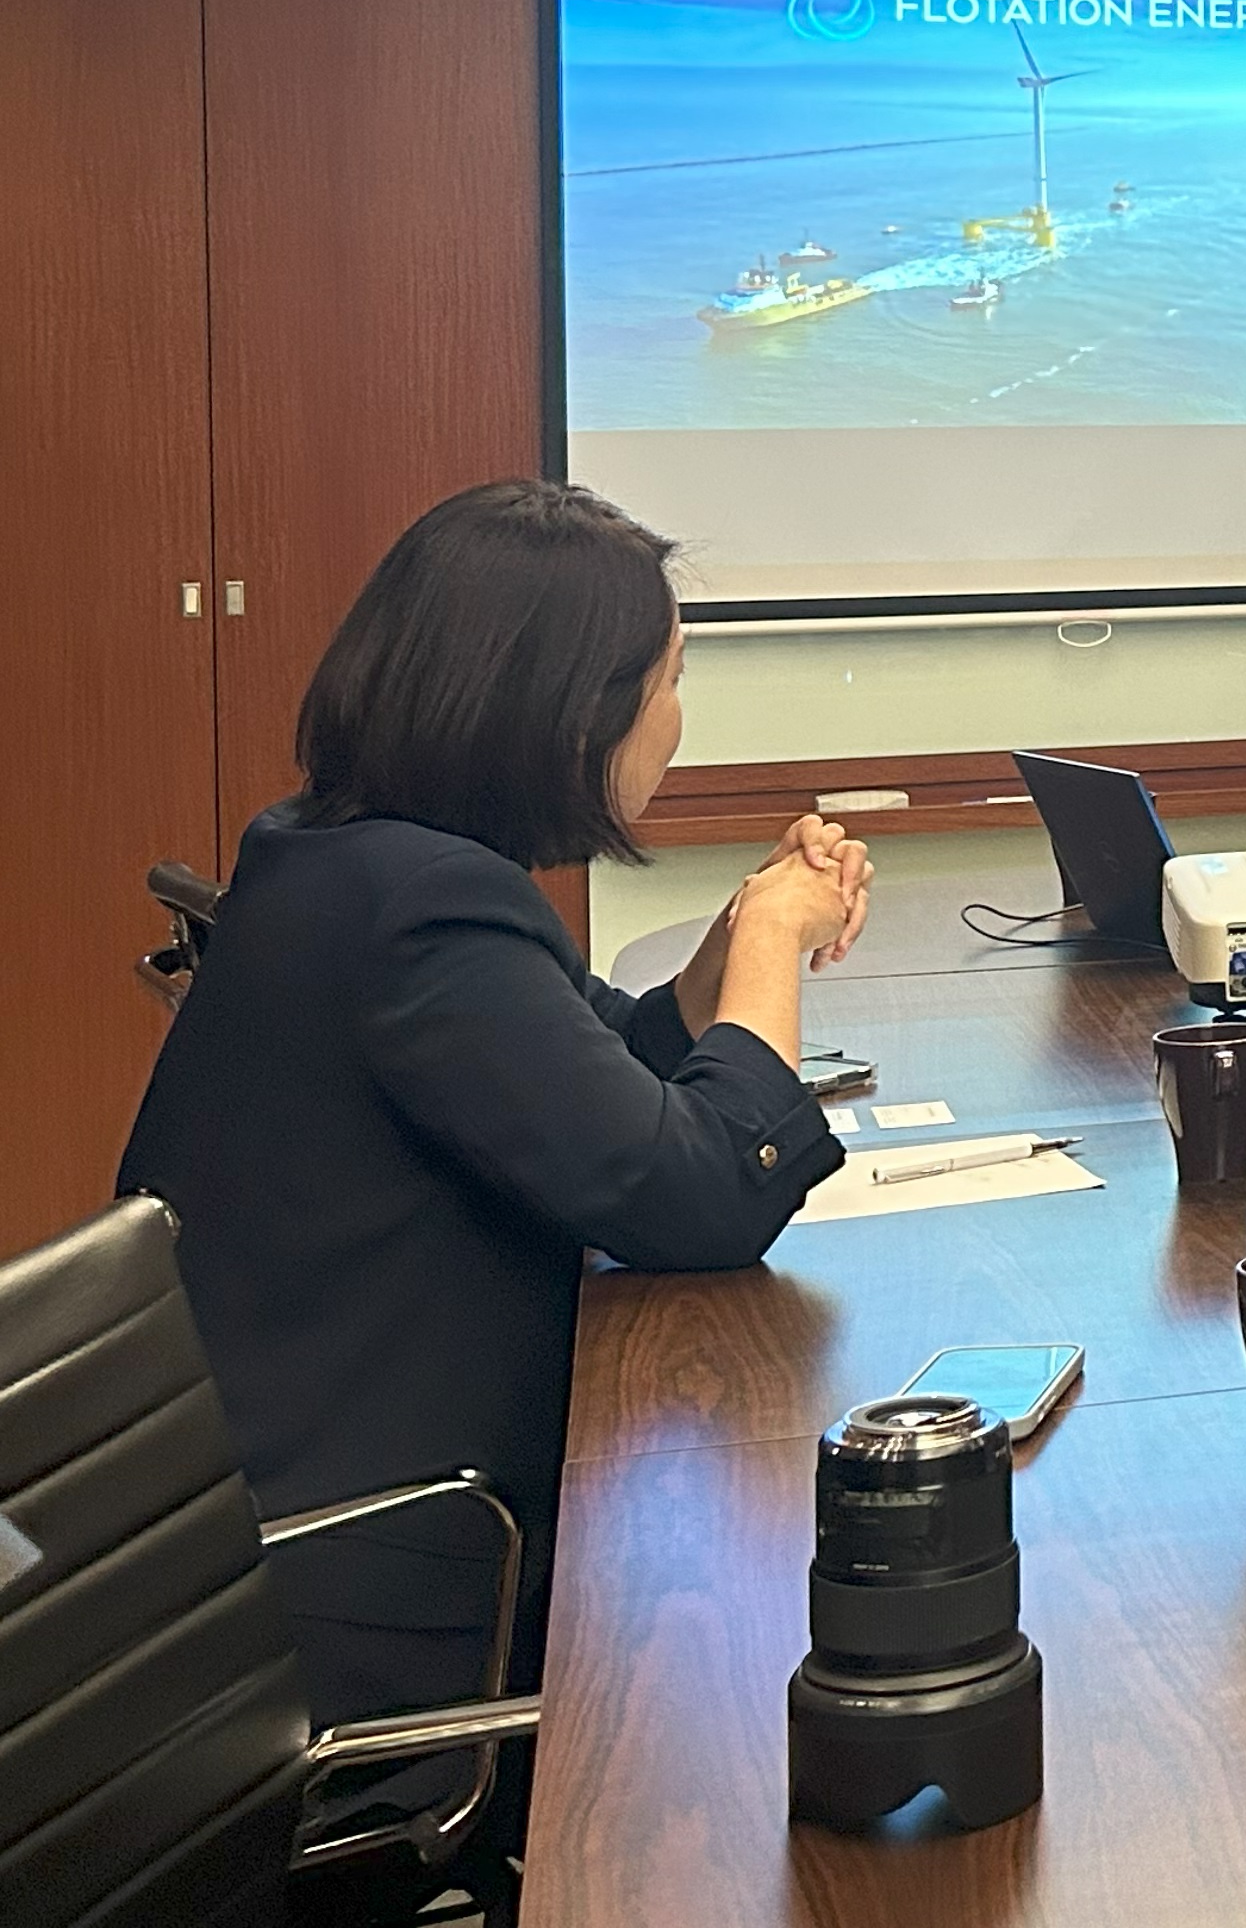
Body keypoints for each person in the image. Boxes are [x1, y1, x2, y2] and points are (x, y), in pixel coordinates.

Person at [119, 480, 865, 1903]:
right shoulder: (428, 913)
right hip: (387, 1604)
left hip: (265, 1538)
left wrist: (723, 952)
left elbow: (594, 1077)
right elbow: (704, 1198)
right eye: (671, 681)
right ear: (574, 714)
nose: (678, 720)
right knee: (763, 1684)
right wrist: (778, 941)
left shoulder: (337, 857)